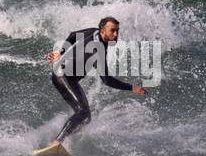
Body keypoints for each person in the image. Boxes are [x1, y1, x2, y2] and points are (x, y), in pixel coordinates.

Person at [43, 16, 147, 148]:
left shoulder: (93, 32)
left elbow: (73, 35)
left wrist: (60, 51)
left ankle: (61, 137)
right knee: (83, 112)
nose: (116, 34)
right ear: (103, 31)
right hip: (62, 76)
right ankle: (57, 142)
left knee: (86, 117)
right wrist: (132, 88)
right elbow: (107, 80)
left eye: (117, 30)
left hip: (70, 79)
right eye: (112, 31)